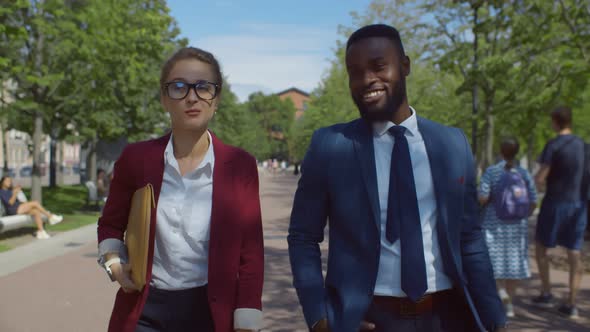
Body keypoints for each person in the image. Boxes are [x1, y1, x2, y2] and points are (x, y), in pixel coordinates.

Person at [288, 24, 506, 332]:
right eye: (355, 71)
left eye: (378, 66)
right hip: (368, 318)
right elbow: (302, 237)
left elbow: (469, 236)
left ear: (405, 66)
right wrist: (320, 317)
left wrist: (494, 316)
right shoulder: (330, 146)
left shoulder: (452, 144)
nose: (366, 80)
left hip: (448, 317)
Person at [96, 47, 264, 332]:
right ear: (164, 99)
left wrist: (246, 317)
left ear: (216, 99)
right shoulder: (136, 159)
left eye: (203, 87)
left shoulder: (240, 165)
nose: (191, 96)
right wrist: (114, 263)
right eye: (178, 87)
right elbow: (110, 224)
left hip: (211, 314)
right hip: (144, 311)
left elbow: (251, 253)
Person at [532, 106, 586, 319]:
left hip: (554, 203)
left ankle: (546, 293)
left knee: (541, 248)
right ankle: (571, 303)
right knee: (574, 252)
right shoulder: (583, 145)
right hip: (578, 205)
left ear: (555, 121)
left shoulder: (553, 145)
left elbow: (540, 178)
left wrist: (537, 186)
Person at [478, 138, 537, 318]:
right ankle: (510, 305)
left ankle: (500, 293)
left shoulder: (492, 171)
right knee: (514, 266)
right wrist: (524, 215)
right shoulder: (523, 173)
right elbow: (533, 200)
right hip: (516, 227)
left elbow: (482, 198)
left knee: (493, 264)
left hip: (494, 225)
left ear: (501, 151)